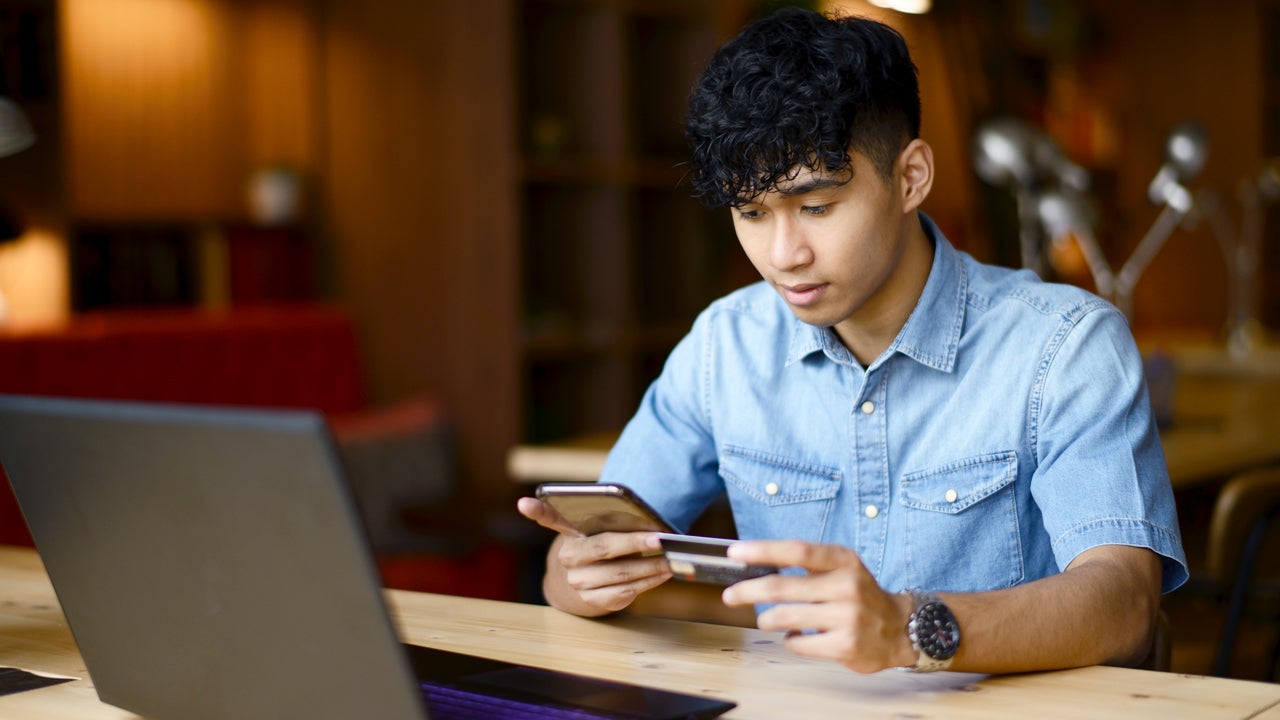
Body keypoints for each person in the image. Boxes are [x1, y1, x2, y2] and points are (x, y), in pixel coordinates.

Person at [517, 7, 1187, 675]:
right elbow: (571, 566)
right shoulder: (725, 346)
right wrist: (579, 576)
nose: (783, 254)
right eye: (751, 213)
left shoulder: (1064, 346)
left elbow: (1124, 604)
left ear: (910, 177)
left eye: (816, 207)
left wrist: (907, 631)